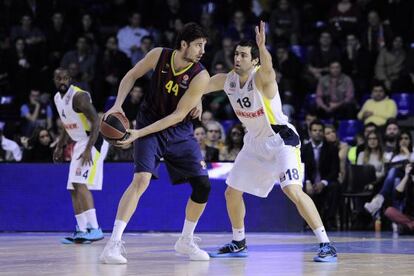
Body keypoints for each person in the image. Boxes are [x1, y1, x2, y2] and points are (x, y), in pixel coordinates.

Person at [204, 21, 337, 262]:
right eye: (236, 54)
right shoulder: (228, 80)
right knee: (231, 193)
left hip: (281, 141)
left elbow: (269, 67)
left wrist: (262, 47)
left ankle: (326, 244)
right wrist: (191, 99)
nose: (238, 58)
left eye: (244, 55)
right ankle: (239, 242)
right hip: (254, 142)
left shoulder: (262, 78)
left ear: (254, 61)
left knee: (293, 191)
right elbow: (201, 86)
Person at [100, 23, 211, 264]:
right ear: (184, 44)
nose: (203, 50)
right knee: (141, 180)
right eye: (198, 45)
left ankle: (186, 240)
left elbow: (177, 116)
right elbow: (131, 75)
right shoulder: (158, 55)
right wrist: (118, 104)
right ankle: (113, 244)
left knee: (203, 186)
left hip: (178, 130)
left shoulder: (201, 75)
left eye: (204, 45)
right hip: (150, 122)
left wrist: (138, 134)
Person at [53, 68, 108, 244]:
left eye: (64, 78)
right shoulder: (57, 99)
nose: (61, 81)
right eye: (58, 78)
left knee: (80, 183)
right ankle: (82, 229)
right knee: (72, 187)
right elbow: (66, 124)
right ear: (54, 80)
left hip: (92, 140)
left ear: (69, 79)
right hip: (79, 142)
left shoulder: (79, 97)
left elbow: (96, 121)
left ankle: (95, 229)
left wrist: (88, 149)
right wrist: (59, 145)